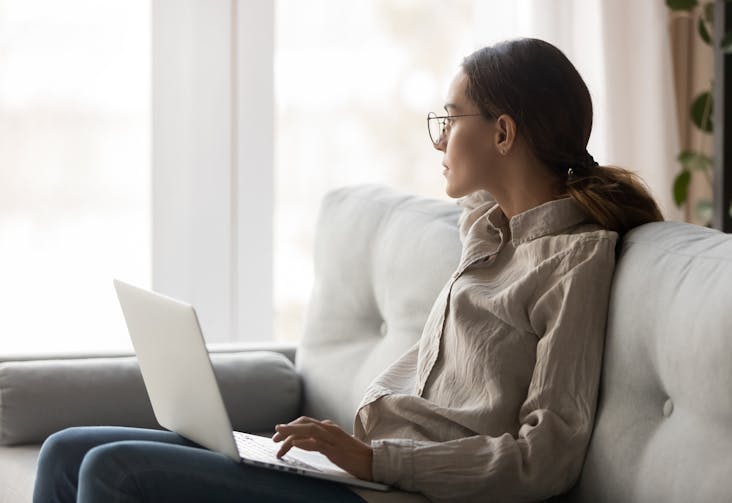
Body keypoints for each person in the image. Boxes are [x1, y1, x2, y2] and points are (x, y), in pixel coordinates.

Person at [33, 37, 663, 503]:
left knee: (112, 473)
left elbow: (546, 459)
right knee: (67, 449)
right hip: (361, 469)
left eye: (450, 119)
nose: (440, 141)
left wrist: (373, 460)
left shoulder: (574, 261)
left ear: (503, 132)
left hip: (398, 489)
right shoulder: (486, 232)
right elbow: (513, 186)